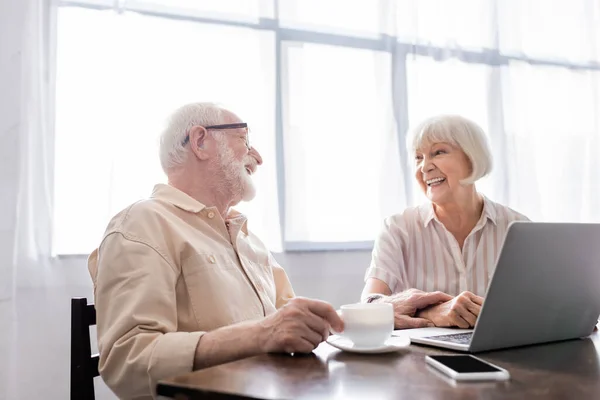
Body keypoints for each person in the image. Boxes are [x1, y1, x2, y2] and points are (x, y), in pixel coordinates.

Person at [88, 103, 448, 399]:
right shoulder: (142, 223)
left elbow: (290, 325)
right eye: (243, 139)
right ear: (200, 141)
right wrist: (260, 334)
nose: (257, 157)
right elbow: (127, 362)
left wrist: (380, 313)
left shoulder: (248, 240)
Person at [361, 115, 529, 330]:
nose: (424, 167)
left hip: (501, 353)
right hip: (419, 359)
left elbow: (544, 305)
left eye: (438, 152)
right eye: (418, 157)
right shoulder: (398, 229)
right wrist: (430, 311)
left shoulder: (518, 228)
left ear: (472, 159)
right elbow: (368, 307)